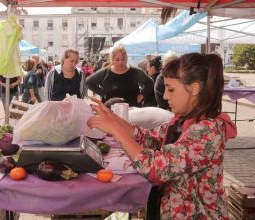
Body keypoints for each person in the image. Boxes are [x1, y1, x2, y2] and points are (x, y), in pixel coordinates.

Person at [88, 53, 237, 219]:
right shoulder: (183, 121)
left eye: (171, 89)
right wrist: (113, 118)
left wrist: (116, 130)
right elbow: (150, 137)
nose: (165, 96)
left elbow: (155, 168)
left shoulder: (207, 131)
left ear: (194, 88)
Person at [86, 46, 153, 107]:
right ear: (112, 59)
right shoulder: (105, 72)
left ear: (127, 58)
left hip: (133, 108)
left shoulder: (135, 71)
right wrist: (103, 94)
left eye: (123, 59)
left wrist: (141, 96)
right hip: (110, 110)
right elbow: (88, 82)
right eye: (117, 60)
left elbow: (150, 82)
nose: (120, 62)